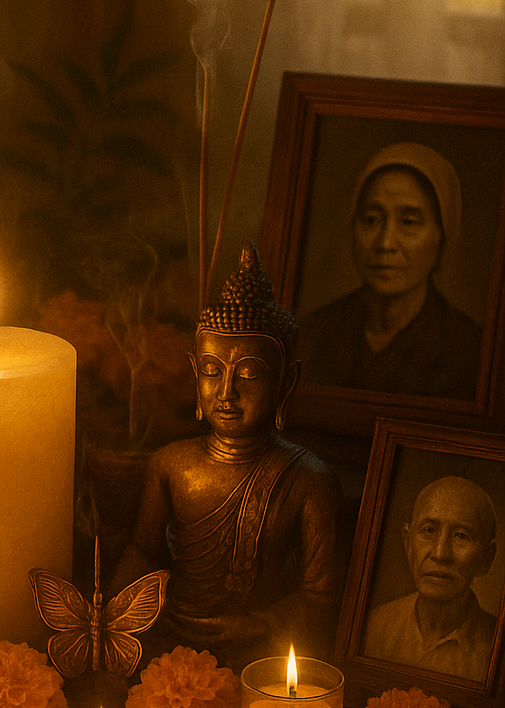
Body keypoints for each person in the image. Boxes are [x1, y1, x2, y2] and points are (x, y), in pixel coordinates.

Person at [111, 244, 342, 673]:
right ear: (194, 370)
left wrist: (262, 624)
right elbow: (143, 550)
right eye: (213, 370)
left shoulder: (310, 480)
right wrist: (112, 619)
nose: (227, 391)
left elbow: (321, 595)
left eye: (250, 373)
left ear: (286, 382)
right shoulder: (171, 464)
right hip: (172, 639)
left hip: (258, 649)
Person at [299, 142, 483, 399]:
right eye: (372, 220)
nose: (385, 244)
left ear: (443, 237)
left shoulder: (470, 351)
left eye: (408, 222)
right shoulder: (314, 334)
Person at [363, 476, 499, 684]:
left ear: (486, 559)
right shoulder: (376, 626)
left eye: (460, 535)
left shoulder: (497, 648)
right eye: (428, 530)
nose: (440, 553)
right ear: (408, 543)